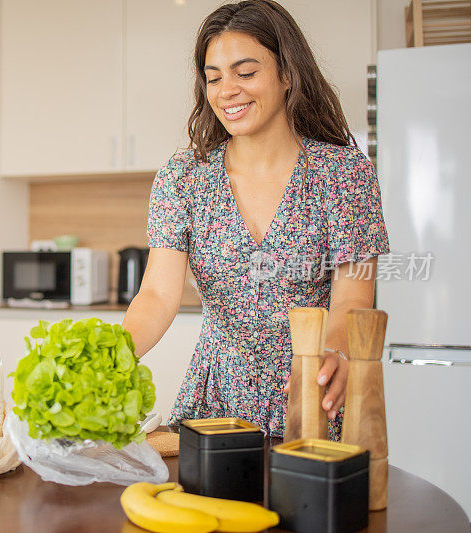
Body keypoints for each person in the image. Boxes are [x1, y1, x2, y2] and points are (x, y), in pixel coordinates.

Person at [122, 0, 390, 439]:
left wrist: (336, 351)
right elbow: (156, 293)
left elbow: (353, 299)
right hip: (212, 408)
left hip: (308, 400)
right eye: (214, 77)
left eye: (245, 73)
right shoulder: (184, 177)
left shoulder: (344, 174)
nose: (228, 89)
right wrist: (111, 356)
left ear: (287, 74)